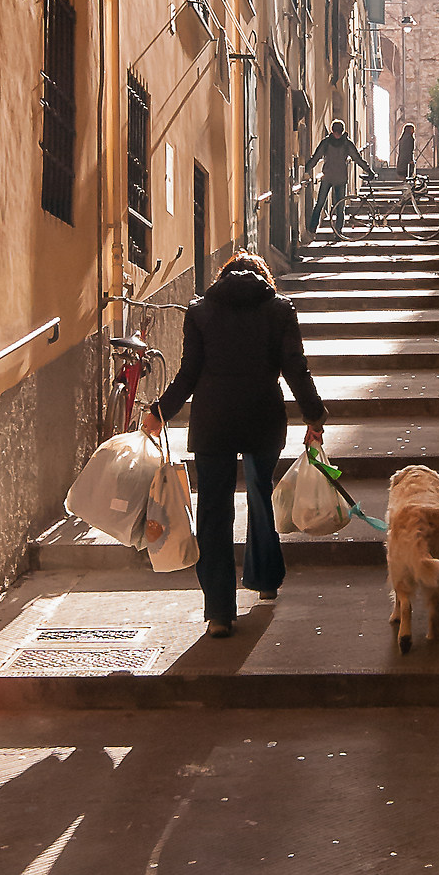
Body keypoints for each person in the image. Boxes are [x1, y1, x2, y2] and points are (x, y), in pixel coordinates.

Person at [141, 249, 326, 637]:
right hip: (263, 418)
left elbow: (188, 372)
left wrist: (160, 411)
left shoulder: (200, 311)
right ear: (263, 277)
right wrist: (314, 416)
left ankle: (219, 613)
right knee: (260, 495)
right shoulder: (280, 309)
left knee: (214, 514)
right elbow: (296, 367)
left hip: (213, 423)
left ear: (223, 277)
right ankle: (265, 578)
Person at [305, 118, 376, 237]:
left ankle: (314, 229)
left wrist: (306, 168)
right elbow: (357, 159)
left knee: (324, 203)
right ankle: (336, 231)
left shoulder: (327, 142)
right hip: (338, 177)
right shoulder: (346, 143)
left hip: (329, 176)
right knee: (338, 206)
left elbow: (316, 158)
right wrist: (369, 170)